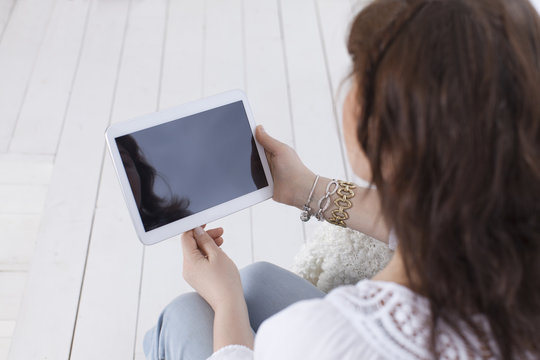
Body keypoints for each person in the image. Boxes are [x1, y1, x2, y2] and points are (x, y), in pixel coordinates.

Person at [143, 0, 540, 358]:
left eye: (359, 72)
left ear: (384, 133)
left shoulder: (315, 339)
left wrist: (228, 300)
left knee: (180, 317)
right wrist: (307, 189)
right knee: (258, 280)